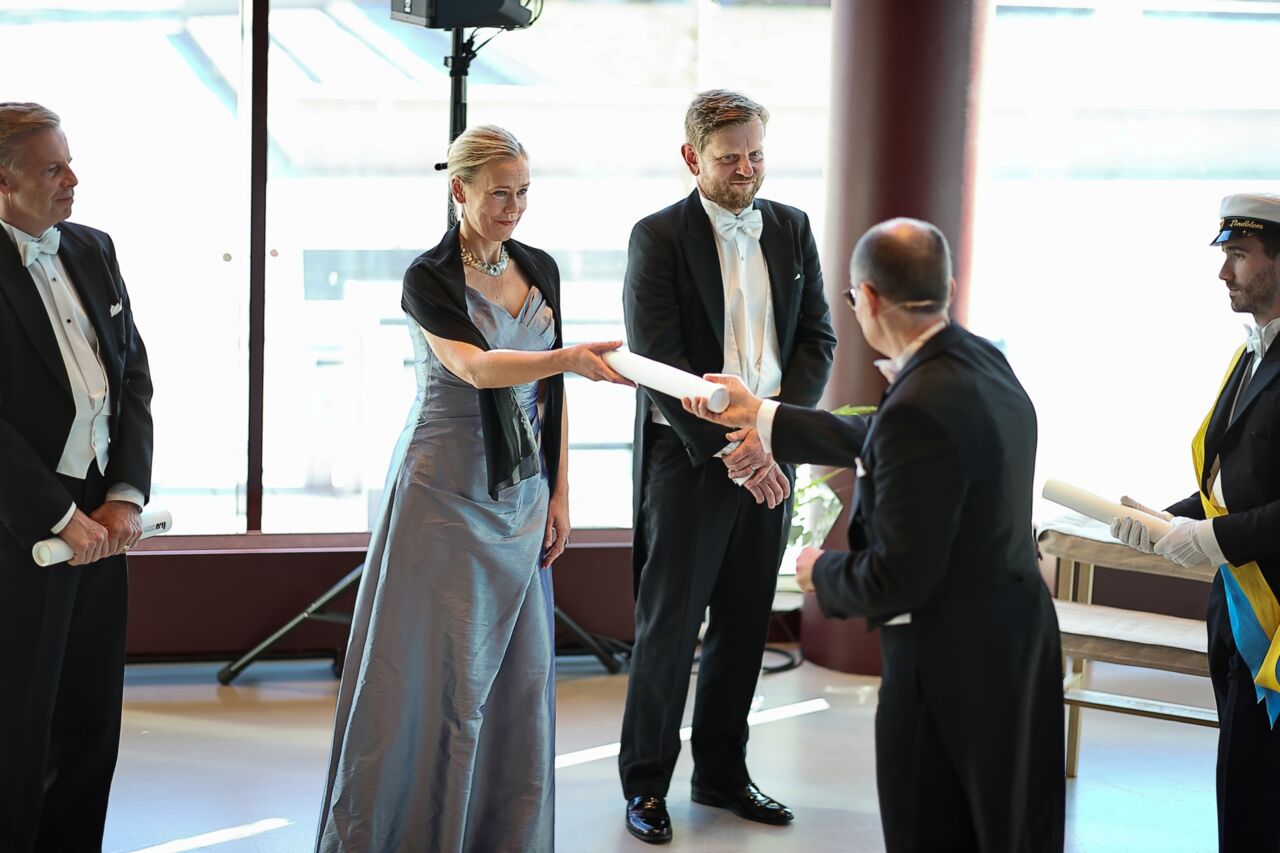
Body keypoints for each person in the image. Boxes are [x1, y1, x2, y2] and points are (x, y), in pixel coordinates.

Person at [682, 218, 1065, 853]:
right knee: (1013, 824)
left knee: (929, 829)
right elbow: (888, 440)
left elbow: (899, 576)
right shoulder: (981, 359)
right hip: (1018, 634)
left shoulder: (920, 402)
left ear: (869, 298)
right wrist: (763, 413)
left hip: (947, 659)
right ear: (945, 287)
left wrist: (819, 572)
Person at [315, 125, 631, 853]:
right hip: (444, 488)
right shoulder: (427, 276)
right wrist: (567, 357)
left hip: (521, 495)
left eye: (523, 193)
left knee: (519, 678)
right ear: (459, 189)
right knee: (433, 674)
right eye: (499, 194)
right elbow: (475, 368)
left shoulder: (539, 266)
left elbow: (550, 397)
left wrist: (559, 494)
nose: (513, 208)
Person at [618, 89, 836, 844]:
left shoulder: (793, 226)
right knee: (670, 628)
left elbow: (817, 340)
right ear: (692, 158)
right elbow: (656, 360)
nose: (746, 170)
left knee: (746, 623)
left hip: (770, 451)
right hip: (688, 458)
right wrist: (732, 447)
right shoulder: (656, 236)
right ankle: (645, 785)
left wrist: (770, 435)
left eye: (756, 155)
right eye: (729, 158)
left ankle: (721, 773)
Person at [0, 102, 155, 852]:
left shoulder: (94, 248)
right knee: (18, 724)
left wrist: (123, 495)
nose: (72, 180)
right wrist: (59, 517)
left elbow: (134, 379)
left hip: (102, 517)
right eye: (52, 169)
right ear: (3, 182)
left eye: (70, 163)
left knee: (92, 716)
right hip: (20, 528)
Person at [1110, 193, 1280, 851]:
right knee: (1242, 787)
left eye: (1239, 254)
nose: (1223, 271)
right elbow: (1234, 480)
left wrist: (1210, 538)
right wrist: (1167, 519)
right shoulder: (1253, 351)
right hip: (1236, 607)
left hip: (1274, 617)